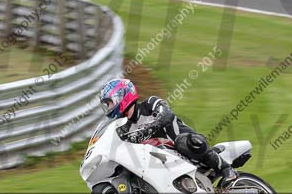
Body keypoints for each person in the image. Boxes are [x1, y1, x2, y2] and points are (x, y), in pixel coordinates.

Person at [99, 77, 238, 186]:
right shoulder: (125, 127)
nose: (108, 108)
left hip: (182, 142)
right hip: (162, 158)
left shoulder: (150, 103)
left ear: (122, 95)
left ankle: (227, 169)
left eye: (110, 103)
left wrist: (148, 128)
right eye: (107, 105)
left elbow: (167, 114)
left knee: (185, 142)